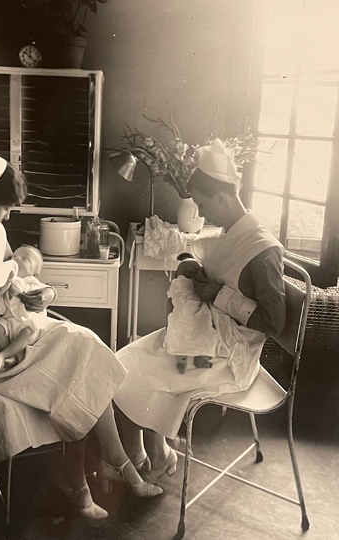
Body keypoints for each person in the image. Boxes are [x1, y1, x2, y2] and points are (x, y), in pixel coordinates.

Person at [0, 149, 162, 522]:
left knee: (87, 345)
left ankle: (105, 466)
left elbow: (13, 276)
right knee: (76, 358)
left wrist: (37, 293)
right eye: (4, 207)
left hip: (11, 331)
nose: (8, 216)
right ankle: (99, 470)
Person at [114, 139, 286, 484]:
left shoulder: (262, 249)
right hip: (208, 338)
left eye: (205, 205)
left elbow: (276, 323)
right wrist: (193, 266)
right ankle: (153, 447)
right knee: (125, 360)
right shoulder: (233, 232)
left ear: (222, 197)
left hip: (232, 359)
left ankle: (155, 449)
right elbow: (221, 276)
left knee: (143, 369)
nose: (203, 215)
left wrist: (220, 295)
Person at [0, 245, 48, 370]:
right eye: (14, 256)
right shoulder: (6, 280)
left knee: (26, 334)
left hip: (27, 321)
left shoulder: (33, 283)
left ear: (35, 274)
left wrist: (16, 286)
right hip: (9, 320)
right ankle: (12, 355)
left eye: (25, 259)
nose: (17, 259)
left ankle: (3, 355)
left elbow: (30, 295)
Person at [164, 258, 217, 373]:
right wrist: (169, 319)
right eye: (186, 271)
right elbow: (170, 302)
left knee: (205, 332)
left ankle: (200, 357)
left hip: (198, 314)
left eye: (196, 270)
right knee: (181, 335)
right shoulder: (177, 284)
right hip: (184, 314)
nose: (191, 273)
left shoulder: (201, 284)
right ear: (177, 275)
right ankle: (182, 360)